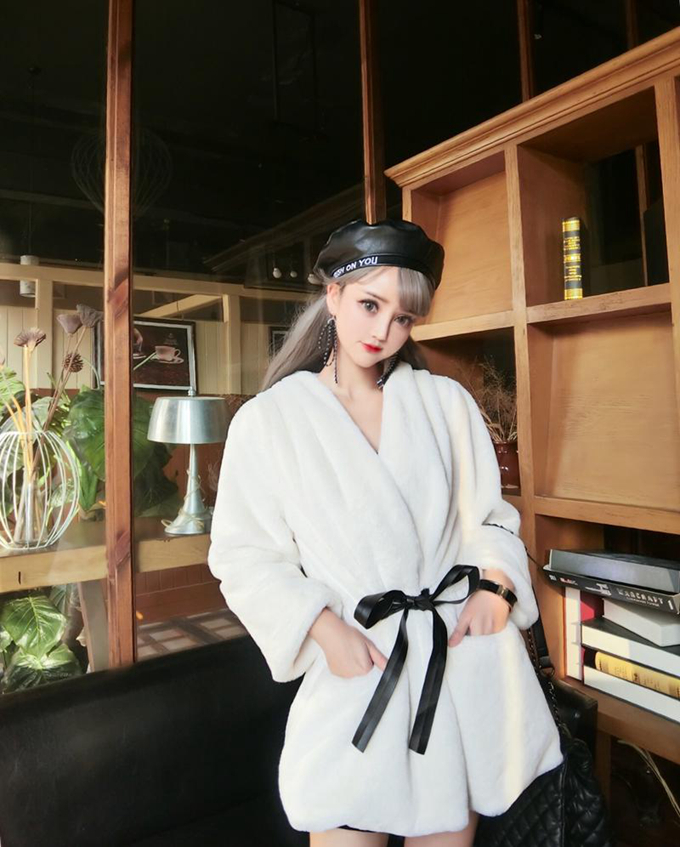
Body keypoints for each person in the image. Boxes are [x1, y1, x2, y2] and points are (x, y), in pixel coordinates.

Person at [207, 219, 563, 846]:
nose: (383, 332)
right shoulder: (270, 421)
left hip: (456, 666)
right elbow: (243, 556)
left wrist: (495, 588)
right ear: (333, 295)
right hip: (360, 665)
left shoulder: (445, 404)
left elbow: (488, 519)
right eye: (370, 305)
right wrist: (324, 629)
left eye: (403, 318)